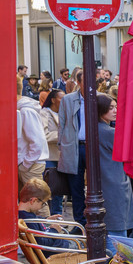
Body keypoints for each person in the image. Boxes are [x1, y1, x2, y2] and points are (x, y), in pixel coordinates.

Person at [95, 95, 133, 236]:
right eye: (111, 108)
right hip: (114, 182)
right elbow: (132, 152)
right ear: (101, 110)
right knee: (117, 230)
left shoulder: (98, 129)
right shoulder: (109, 132)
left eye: (116, 107)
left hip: (107, 180)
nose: (115, 110)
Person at [57, 70, 88, 225]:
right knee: (76, 188)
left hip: (93, 147)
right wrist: (61, 146)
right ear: (78, 82)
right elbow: (61, 124)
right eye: (85, 81)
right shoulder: (68, 100)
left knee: (98, 187)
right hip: (73, 146)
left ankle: (96, 219)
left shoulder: (99, 98)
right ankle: (80, 222)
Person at [17, 80, 46, 188]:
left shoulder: (26, 111)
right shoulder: (22, 109)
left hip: (31, 164)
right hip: (28, 162)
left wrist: (25, 165)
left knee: (37, 200)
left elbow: (37, 141)